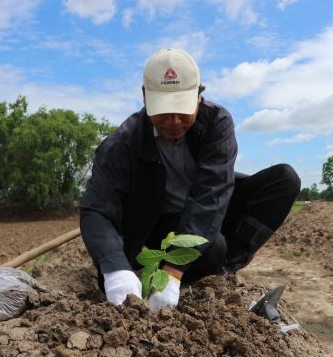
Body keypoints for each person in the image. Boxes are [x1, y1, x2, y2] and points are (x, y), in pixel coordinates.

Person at [80, 48, 300, 309]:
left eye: (182, 110)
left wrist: (173, 273)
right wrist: (116, 268)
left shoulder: (217, 123)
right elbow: (97, 208)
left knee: (285, 180)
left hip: (205, 207)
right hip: (155, 220)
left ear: (199, 96)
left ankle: (224, 268)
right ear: (145, 97)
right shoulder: (122, 143)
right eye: (163, 111)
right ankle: (200, 262)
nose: (173, 121)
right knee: (211, 249)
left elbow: (212, 194)